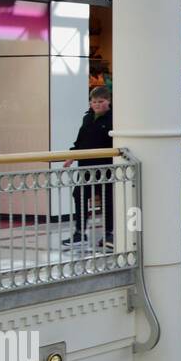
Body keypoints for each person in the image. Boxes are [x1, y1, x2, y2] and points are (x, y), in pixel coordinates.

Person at [62, 86, 114, 249]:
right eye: (94, 102)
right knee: (79, 195)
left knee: (107, 200)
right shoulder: (87, 118)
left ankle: (109, 234)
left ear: (108, 101)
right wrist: (72, 155)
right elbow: (80, 141)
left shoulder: (113, 119)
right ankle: (80, 233)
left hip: (106, 167)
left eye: (101, 102)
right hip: (86, 167)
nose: (97, 105)